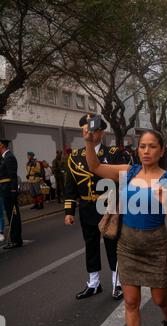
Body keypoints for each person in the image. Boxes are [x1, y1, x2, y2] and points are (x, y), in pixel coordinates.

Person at [85, 128, 167, 326]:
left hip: (156, 247)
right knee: (130, 302)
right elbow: (94, 166)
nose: (146, 151)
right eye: (142, 146)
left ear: (161, 151)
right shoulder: (128, 172)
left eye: (152, 146)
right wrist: (89, 142)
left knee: (161, 299)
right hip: (127, 246)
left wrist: (166, 201)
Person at [64, 114, 123, 301]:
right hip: (87, 207)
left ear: (101, 132)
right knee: (90, 246)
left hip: (108, 206)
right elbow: (70, 186)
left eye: (91, 128)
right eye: (84, 128)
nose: (87, 131)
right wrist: (69, 211)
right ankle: (94, 283)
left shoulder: (113, 153)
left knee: (112, 244)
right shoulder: (74, 156)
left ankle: (117, 282)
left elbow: (122, 180)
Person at [0, 139, 23, 249]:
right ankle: (15, 239)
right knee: (10, 215)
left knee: (13, 215)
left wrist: (14, 191)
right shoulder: (4, 158)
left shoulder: (9, 157)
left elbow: (12, 176)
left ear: (2, 146)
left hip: (9, 191)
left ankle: (16, 240)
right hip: (5, 190)